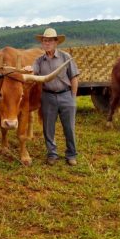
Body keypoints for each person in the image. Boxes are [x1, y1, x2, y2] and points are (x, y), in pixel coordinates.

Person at [32, 28, 80, 166]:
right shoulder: (39, 60)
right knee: (48, 128)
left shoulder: (66, 57)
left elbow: (74, 77)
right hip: (48, 97)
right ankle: (52, 154)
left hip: (66, 95)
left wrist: (73, 98)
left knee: (69, 128)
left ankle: (71, 154)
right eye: (44, 40)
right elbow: (32, 69)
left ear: (56, 42)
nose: (46, 43)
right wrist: (27, 69)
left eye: (49, 40)